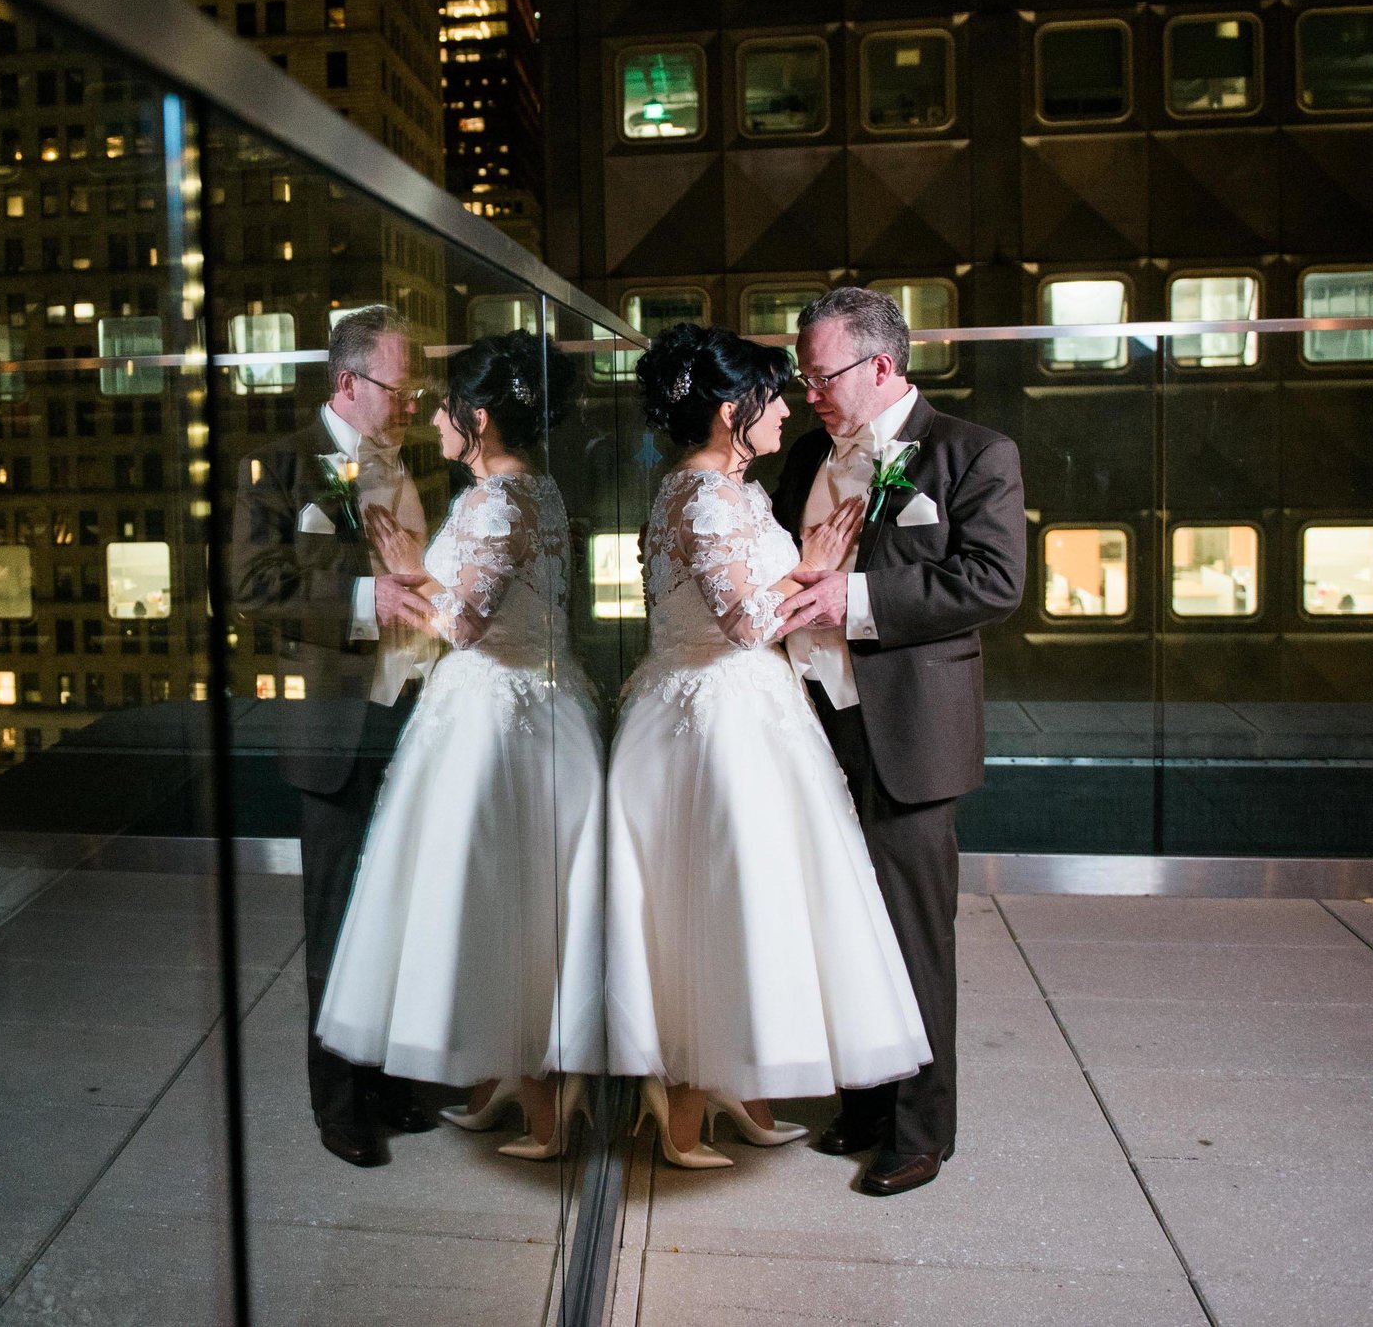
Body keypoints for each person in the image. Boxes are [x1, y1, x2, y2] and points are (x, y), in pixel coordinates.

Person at [604, 322, 931, 1170]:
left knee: (758, 906)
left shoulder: (735, 487)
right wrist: (810, 565)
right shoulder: (702, 496)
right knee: (712, 906)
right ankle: (681, 1104)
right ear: (727, 410)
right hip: (709, 726)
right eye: (770, 396)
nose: (786, 410)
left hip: (751, 712)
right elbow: (749, 621)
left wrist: (804, 562)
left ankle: (736, 1088)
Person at [314, 331, 604, 1162]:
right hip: (532, 705)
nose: (432, 417)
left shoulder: (495, 501)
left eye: (443, 405)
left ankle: (543, 1107)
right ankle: (498, 1081)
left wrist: (407, 569)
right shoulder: (533, 490)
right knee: (502, 904)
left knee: (498, 905)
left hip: (495, 720)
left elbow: (463, 624)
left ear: (476, 418)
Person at [769, 286, 1026, 1196]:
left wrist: (858, 602)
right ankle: (866, 1105)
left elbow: (993, 583)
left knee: (914, 936)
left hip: (910, 732)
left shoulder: (973, 453)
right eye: (802, 375)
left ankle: (923, 1129)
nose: (809, 391)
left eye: (822, 372)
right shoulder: (805, 455)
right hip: (812, 725)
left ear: (881, 366)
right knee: (842, 925)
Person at [229, 306, 442, 1168]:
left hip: (411, 717)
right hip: (333, 729)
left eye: (412, 389)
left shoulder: (405, 463)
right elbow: (252, 585)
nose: (406, 404)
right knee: (336, 921)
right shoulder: (278, 465)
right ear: (347, 382)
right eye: (396, 388)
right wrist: (364, 602)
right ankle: (340, 1102)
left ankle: (391, 1079)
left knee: (396, 912)